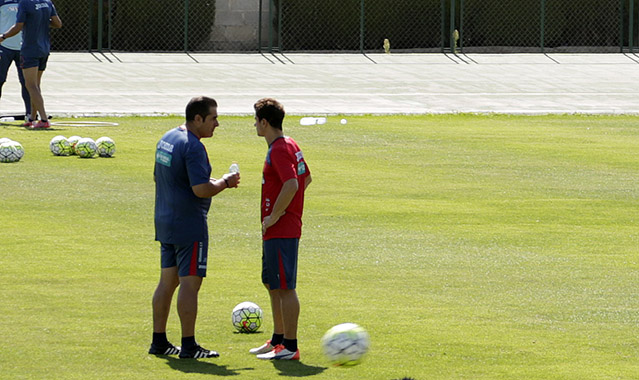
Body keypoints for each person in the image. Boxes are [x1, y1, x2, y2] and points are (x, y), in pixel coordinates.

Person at [150, 96, 240, 359]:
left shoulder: (168, 137)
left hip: (165, 220)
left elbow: (168, 176)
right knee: (190, 284)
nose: (217, 124)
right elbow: (200, 189)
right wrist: (225, 182)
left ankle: (159, 343)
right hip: (189, 224)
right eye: (213, 118)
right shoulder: (194, 146)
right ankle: (188, 346)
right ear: (197, 118)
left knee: (167, 282)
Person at [249, 98, 312, 361]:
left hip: (281, 228)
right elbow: (306, 177)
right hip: (280, 227)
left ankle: (290, 346)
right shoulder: (290, 144)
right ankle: (277, 339)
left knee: (285, 286)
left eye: (255, 120)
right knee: (272, 283)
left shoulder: (278, 149)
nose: (254, 124)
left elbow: (292, 184)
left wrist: (277, 215)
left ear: (264, 122)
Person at [0, 0, 61, 129]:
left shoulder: (24, 3)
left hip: (29, 50)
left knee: (30, 86)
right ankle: (32, 118)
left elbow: (18, 27)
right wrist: (39, 22)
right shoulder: (47, 2)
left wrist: (3, 36)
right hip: (44, 49)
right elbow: (58, 23)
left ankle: (43, 119)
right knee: (36, 85)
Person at [0, 0, 30, 121]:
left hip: (24, 48)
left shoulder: (28, 2)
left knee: (27, 83)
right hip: (3, 47)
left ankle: (30, 115)